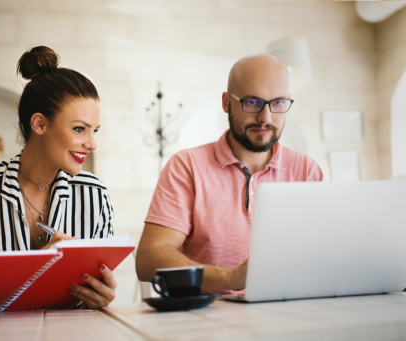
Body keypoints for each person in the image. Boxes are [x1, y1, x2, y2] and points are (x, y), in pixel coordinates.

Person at [0, 46, 116, 309]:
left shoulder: (95, 194)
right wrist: (34, 268)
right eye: (79, 129)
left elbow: (96, 295)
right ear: (40, 124)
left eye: (95, 131)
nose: (91, 144)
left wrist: (102, 297)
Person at [135, 54, 323, 295]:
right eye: (252, 102)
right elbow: (148, 259)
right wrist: (229, 278)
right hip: (207, 322)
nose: (265, 118)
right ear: (226, 103)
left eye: (277, 103)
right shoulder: (186, 166)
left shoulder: (307, 171)